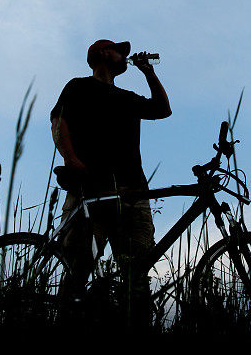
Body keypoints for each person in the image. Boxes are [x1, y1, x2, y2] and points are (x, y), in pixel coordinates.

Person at [50, 39, 172, 332]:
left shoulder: (127, 97)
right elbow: (59, 121)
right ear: (105, 54)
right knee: (77, 271)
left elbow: (162, 109)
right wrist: (71, 159)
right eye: (122, 51)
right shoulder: (78, 87)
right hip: (89, 191)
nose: (126, 56)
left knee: (137, 276)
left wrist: (148, 72)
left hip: (133, 193)